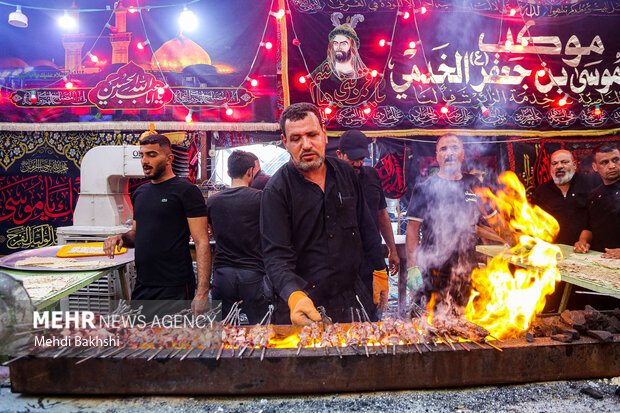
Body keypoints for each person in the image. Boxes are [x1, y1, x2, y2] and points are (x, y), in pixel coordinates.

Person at [261, 102, 384, 325]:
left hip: (352, 299)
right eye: (296, 138)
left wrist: (379, 269)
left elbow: (366, 226)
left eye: (312, 134)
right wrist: (293, 295)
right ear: (285, 142)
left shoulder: (345, 172)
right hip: (304, 304)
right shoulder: (276, 190)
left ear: (324, 135)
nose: (306, 145)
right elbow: (275, 256)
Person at [103, 134, 211, 319]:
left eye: (152, 155)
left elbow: (202, 242)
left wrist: (202, 292)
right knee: (142, 343)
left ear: (169, 158)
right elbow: (137, 234)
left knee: (174, 344)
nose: (145, 161)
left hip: (174, 286)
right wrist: (121, 237)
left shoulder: (186, 191)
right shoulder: (140, 193)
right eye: (142, 155)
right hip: (143, 285)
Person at [405, 134, 489, 313]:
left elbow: (490, 221)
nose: (448, 153)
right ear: (437, 156)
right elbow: (412, 230)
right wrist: (412, 268)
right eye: (443, 149)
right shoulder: (424, 187)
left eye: (454, 148)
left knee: (465, 324)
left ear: (463, 155)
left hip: (467, 270)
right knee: (433, 326)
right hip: (434, 271)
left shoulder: (474, 184)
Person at [336, 130, 400, 312]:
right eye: (353, 158)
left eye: (362, 158)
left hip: (372, 258)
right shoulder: (329, 180)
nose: (358, 163)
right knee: (345, 316)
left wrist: (392, 250)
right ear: (340, 154)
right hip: (342, 261)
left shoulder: (372, 175)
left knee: (375, 311)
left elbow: (382, 215)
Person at [206, 150, 267, 323]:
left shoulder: (213, 201)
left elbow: (212, 232)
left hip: (223, 276)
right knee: (259, 331)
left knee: (225, 332)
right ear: (250, 171)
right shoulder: (260, 199)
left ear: (228, 173)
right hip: (253, 275)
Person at [532, 150, 601, 245]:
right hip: (553, 250)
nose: (559, 166)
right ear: (550, 168)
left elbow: (597, 220)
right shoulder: (541, 191)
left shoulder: (590, 185)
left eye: (564, 162)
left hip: (588, 250)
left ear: (574, 165)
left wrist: (583, 241)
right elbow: (534, 223)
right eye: (554, 163)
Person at [574, 143, 620, 258]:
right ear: (595, 167)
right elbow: (588, 227)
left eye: (615, 160)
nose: (612, 166)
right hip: (599, 260)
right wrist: (582, 242)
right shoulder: (594, 195)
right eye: (604, 162)